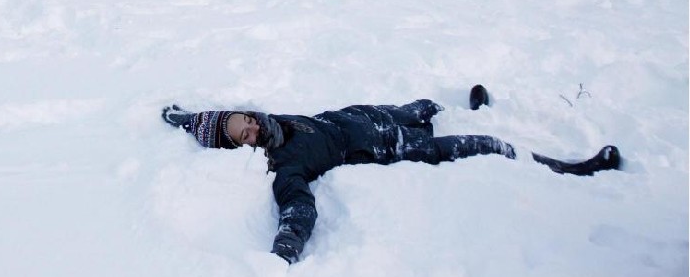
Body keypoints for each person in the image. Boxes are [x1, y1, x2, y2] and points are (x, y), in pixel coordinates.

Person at [162, 86, 620, 265]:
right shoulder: (286, 165)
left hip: (368, 113)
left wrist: (187, 119)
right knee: (484, 146)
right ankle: (573, 168)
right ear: (245, 147)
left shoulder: (272, 118)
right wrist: (283, 252)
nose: (254, 127)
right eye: (245, 136)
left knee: (425, 106)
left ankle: (466, 105)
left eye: (247, 119)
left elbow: (213, 118)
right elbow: (298, 208)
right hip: (385, 147)